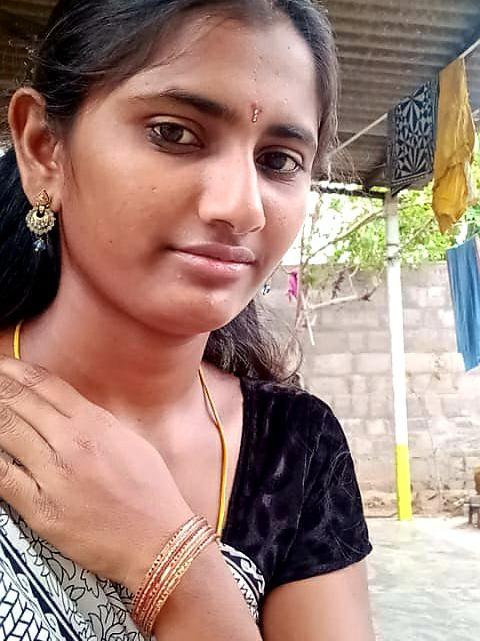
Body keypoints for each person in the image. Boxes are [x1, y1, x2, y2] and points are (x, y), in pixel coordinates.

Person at [0, 1, 374, 639]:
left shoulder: (296, 449)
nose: (242, 208)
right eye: (174, 133)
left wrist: (172, 563)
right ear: (43, 150)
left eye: (279, 160)